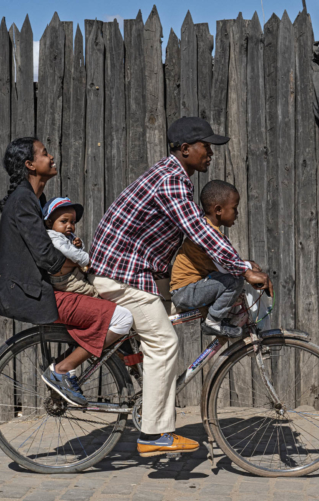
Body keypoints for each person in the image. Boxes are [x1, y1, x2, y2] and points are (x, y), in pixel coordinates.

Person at [90, 116, 273, 457]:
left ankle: (148, 404)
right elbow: (199, 231)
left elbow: (197, 234)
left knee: (162, 329)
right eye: (207, 147)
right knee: (164, 344)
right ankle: (153, 435)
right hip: (123, 274)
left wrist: (239, 265)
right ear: (186, 149)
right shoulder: (171, 179)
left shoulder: (173, 177)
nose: (211, 154)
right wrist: (241, 269)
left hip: (136, 272)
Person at [0, 137, 133, 407]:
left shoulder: (35, 199)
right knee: (122, 318)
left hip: (45, 288)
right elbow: (46, 255)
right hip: (35, 294)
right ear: (30, 165)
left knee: (112, 304)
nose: (51, 157)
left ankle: (75, 364)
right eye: (44, 153)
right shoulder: (23, 200)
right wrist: (81, 263)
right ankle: (63, 369)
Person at [170, 180, 261, 338]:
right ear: (218, 210)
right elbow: (227, 268)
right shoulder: (209, 237)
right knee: (234, 281)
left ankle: (218, 320)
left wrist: (247, 265)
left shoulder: (209, 232)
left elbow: (228, 264)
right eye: (234, 208)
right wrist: (249, 269)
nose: (237, 213)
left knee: (232, 281)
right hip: (186, 293)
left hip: (191, 289)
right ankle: (212, 322)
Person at [42, 197, 99, 298]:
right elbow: (67, 250)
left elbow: (75, 250)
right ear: (49, 223)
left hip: (73, 272)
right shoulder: (52, 236)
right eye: (64, 221)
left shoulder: (66, 235)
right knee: (90, 291)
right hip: (65, 280)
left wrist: (79, 245)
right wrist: (87, 259)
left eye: (72, 222)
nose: (69, 226)